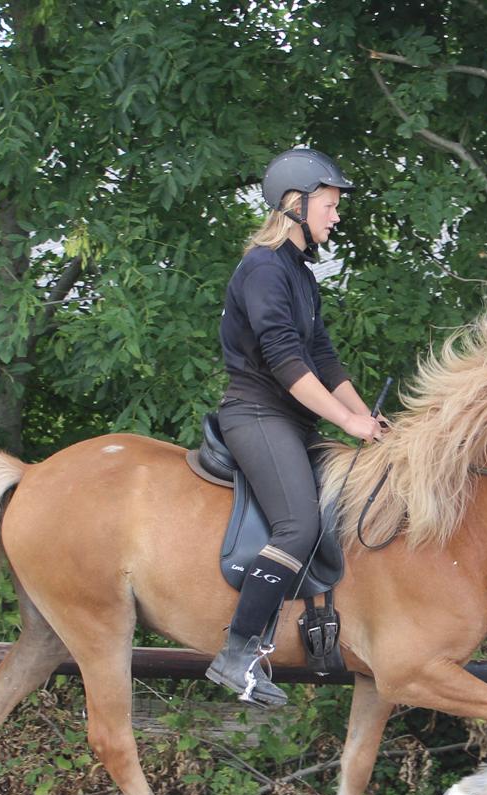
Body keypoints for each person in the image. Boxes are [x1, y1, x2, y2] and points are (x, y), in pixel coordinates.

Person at [206, 148, 384, 708]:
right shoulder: (262, 268)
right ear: (295, 204)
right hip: (257, 414)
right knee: (297, 526)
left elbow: (325, 361)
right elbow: (286, 362)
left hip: (290, 416)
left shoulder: (300, 276)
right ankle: (238, 654)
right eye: (329, 206)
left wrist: (371, 421)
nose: (336, 216)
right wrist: (347, 421)